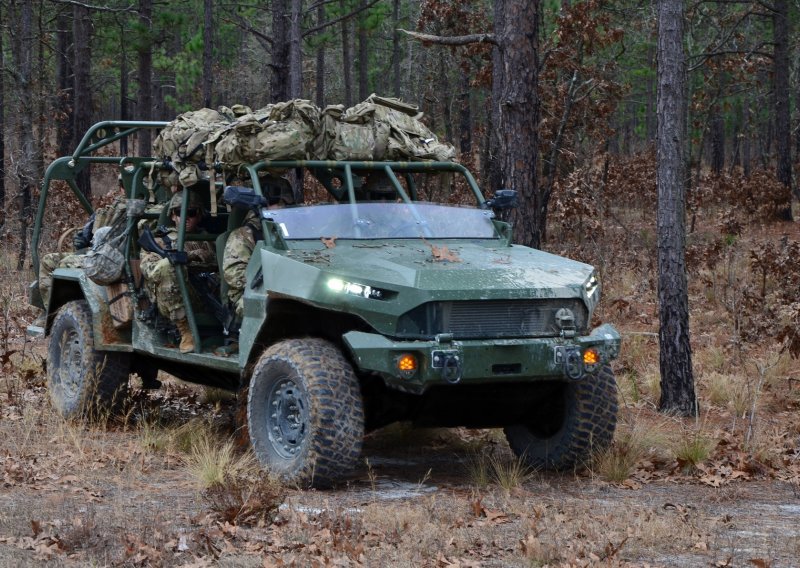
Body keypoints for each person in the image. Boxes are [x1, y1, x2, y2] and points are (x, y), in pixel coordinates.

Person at [140, 191, 216, 353]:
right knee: (167, 267)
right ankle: (185, 331)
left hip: (202, 294)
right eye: (178, 212)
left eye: (191, 213)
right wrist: (177, 259)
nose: (185, 217)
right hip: (170, 299)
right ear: (173, 216)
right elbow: (150, 271)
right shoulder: (160, 240)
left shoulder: (208, 239)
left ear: (199, 216)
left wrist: (198, 256)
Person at [223, 180, 294, 320]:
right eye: (276, 202)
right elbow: (234, 274)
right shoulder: (243, 235)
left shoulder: (298, 232)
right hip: (251, 293)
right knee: (275, 310)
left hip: (295, 290)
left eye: (285, 204)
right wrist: (274, 281)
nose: (281, 207)